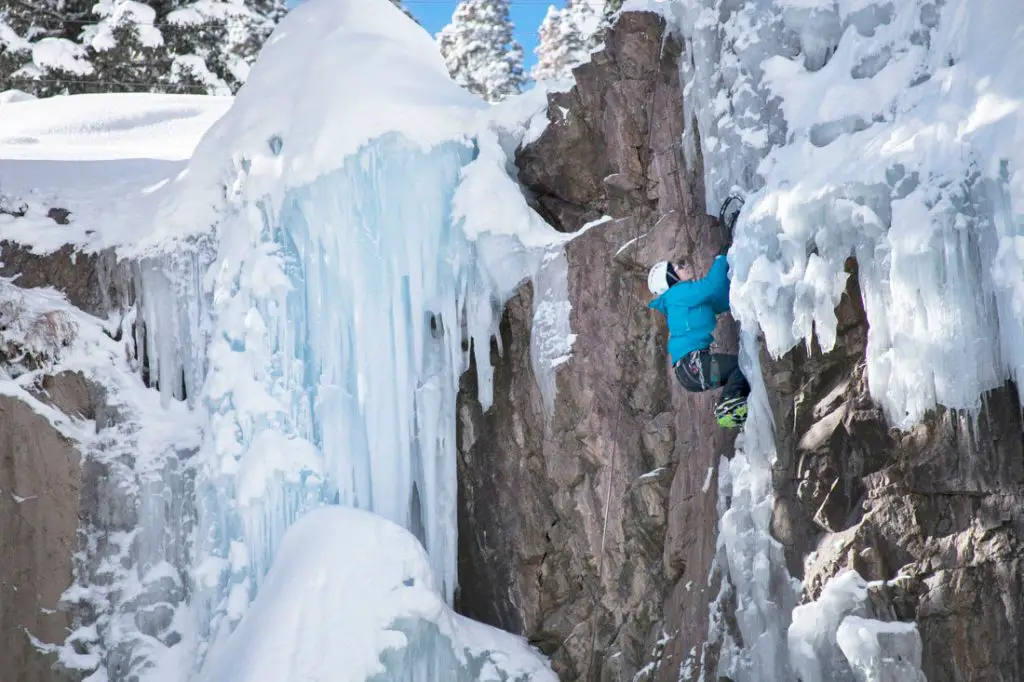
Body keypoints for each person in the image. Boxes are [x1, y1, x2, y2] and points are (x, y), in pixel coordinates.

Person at [646, 196, 750, 428]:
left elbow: (717, 298)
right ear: (671, 280)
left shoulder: (681, 301)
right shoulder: (678, 295)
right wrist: (724, 253)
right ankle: (728, 407)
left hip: (693, 373)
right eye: (678, 267)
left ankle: (738, 410)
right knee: (741, 366)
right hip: (695, 367)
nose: (684, 265)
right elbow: (711, 287)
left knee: (741, 372)